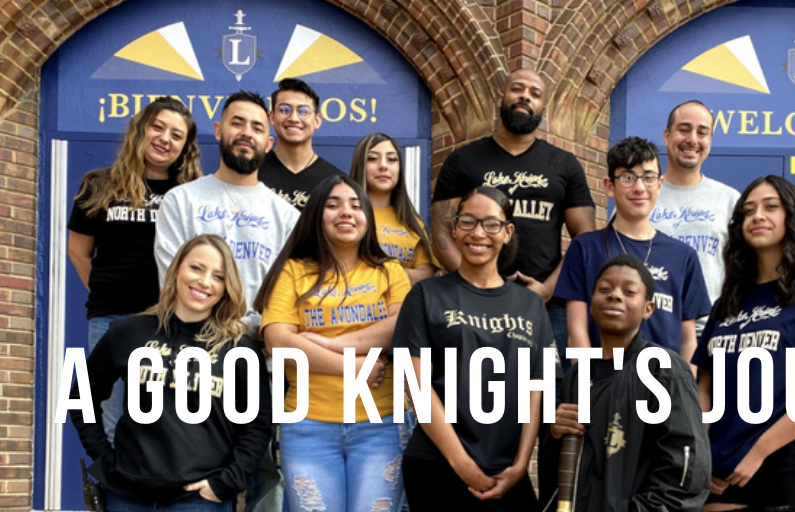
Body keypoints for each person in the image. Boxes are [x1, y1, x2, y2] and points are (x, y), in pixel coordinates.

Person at [154, 90, 298, 512]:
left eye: (257, 127)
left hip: (260, 359)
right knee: (193, 464)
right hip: (192, 356)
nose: (246, 134)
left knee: (264, 470)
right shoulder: (182, 200)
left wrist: (253, 335)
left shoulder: (285, 216)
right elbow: (171, 281)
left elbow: (286, 298)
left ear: (269, 142)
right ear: (219, 130)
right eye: (237, 123)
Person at [71, 234, 272, 511]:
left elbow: (257, 426)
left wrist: (227, 481)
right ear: (177, 269)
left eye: (218, 276)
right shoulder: (129, 332)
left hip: (198, 500)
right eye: (197, 268)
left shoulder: (239, 349)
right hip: (126, 496)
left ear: (227, 287)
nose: (204, 282)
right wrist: (104, 457)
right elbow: (80, 395)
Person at [693, 175, 795, 512]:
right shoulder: (729, 300)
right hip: (721, 461)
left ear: (792, 217)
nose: (758, 216)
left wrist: (759, 451)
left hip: (787, 459)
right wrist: (702, 449)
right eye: (748, 211)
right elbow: (704, 385)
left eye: (771, 207)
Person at [256, 174, 410, 512]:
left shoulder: (389, 271)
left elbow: (400, 327)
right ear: (315, 215)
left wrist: (325, 344)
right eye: (333, 205)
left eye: (356, 206)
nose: (346, 212)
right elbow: (278, 341)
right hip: (308, 426)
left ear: (368, 218)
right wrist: (355, 367)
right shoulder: (293, 271)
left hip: (381, 425)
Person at [393, 187, 549, 511]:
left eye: (491, 224)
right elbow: (417, 388)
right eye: (467, 221)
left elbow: (537, 390)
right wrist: (462, 464)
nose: (478, 232)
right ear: (454, 228)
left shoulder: (531, 304)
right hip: (437, 466)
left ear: (507, 233)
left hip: (508, 471)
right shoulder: (426, 295)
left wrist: (521, 465)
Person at [430, 68, 595, 370]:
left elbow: (584, 240)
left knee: (548, 398)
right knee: (475, 391)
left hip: (546, 305)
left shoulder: (565, 164)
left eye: (535, 94)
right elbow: (440, 233)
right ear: (501, 97)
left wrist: (547, 289)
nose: (525, 97)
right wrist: (478, 287)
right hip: (473, 304)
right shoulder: (463, 160)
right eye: (517, 89)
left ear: (543, 107)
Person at [68, 96, 202, 443]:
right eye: (158, 127)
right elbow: (79, 251)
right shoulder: (98, 185)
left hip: (170, 321)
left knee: (162, 415)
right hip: (110, 319)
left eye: (177, 135)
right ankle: (118, 493)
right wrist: (108, 292)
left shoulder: (190, 193)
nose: (165, 139)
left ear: (185, 147)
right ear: (140, 131)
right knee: (113, 415)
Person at [547, 255, 711, 512]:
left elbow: (687, 474)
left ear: (648, 309)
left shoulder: (661, 368)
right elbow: (565, 473)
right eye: (605, 289)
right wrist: (555, 433)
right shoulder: (576, 377)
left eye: (629, 291)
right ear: (591, 304)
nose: (614, 295)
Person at [555, 136, 710, 361]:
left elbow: (688, 340)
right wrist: (588, 388)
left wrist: (685, 390)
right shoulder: (585, 248)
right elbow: (577, 333)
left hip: (665, 386)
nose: (639, 188)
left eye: (648, 177)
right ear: (609, 186)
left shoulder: (683, 256)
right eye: (628, 177)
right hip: (602, 384)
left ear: (659, 185)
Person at [649, 100, 740, 337]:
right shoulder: (640, 195)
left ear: (710, 141)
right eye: (684, 129)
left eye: (702, 132)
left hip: (712, 333)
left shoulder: (730, 200)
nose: (693, 139)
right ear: (667, 136)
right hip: (648, 331)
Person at [350, 132, 436, 284]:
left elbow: (426, 275)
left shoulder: (413, 222)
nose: (383, 165)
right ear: (360, 164)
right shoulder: (345, 215)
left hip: (403, 306)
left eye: (392, 159)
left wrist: (386, 273)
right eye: (372, 158)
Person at [260, 78, 344, 211]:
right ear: (272, 117)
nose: (293, 118)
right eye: (284, 110)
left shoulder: (336, 181)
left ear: (317, 120)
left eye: (303, 111)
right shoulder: (252, 174)